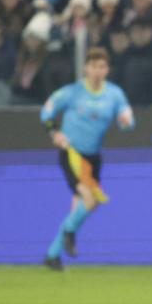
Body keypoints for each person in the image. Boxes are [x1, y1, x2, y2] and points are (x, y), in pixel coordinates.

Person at [40, 47, 134, 270]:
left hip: (94, 157)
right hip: (72, 154)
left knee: (83, 206)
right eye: (93, 67)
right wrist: (55, 133)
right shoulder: (72, 92)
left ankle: (52, 255)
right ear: (86, 68)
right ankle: (69, 234)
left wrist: (125, 122)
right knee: (90, 200)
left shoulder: (114, 94)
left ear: (107, 69)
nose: (97, 71)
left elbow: (128, 122)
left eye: (102, 67)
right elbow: (46, 112)